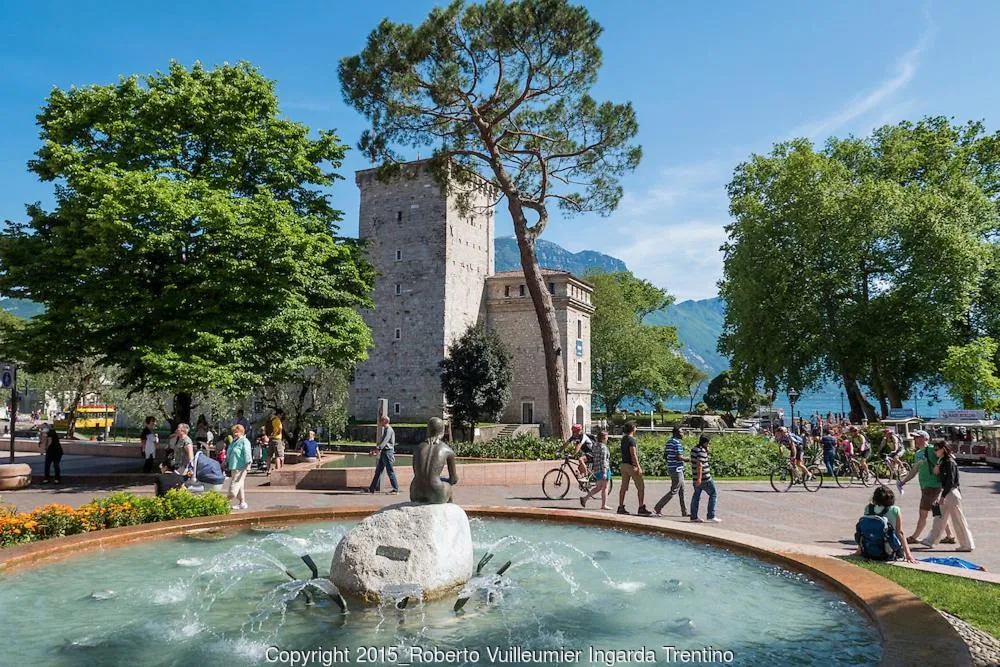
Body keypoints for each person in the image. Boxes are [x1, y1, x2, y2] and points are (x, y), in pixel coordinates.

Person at [898, 430, 955, 545]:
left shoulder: (932, 449)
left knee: (923, 512)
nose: (916, 440)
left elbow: (948, 457)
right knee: (937, 512)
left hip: (933, 486)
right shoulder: (918, 453)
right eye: (915, 438)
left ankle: (915, 536)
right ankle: (950, 536)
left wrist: (939, 466)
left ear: (925, 438)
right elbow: (914, 470)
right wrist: (904, 481)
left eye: (918, 437)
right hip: (925, 486)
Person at [921, 442, 974, 552]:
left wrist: (943, 496)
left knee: (958, 519)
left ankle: (967, 544)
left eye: (937, 449)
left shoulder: (949, 462)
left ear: (943, 449)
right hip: (947, 491)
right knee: (939, 517)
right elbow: (938, 474)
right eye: (934, 449)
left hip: (951, 492)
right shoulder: (942, 461)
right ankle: (931, 540)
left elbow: (950, 480)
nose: (935, 451)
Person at [854, 485, 916, 563]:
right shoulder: (895, 510)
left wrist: (859, 551)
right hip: (888, 552)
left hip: (869, 550)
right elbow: (900, 533)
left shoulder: (868, 508)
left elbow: (864, 531)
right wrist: (908, 554)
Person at [617, 422, 651, 516]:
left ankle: (620, 506)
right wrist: (638, 466)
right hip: (631, 466)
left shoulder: (624, 439)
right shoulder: (631, 440)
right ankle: (641, 507)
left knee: (623, 487)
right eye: (635, 427)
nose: (636, 428)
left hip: (624, 465)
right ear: (632, 429)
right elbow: (633, 454)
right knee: (641, 487)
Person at [653, 427, 688, 517]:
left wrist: (670, 461)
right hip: (677, 469)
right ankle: (658, 507)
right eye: (681, 432)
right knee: (674, 490)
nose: (683, 433)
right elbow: (679, 457)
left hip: (672, 468)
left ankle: (684, 511)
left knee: (682, 490)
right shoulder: (677, 443)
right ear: (676, 433)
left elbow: (665, 455)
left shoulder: (669, 442)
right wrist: (691, 459)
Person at [689, 435, 719, 523]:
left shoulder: (694, 449)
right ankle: (711, 515)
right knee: (713, 494)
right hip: (705, 477)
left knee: (696, 496)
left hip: (695, 476)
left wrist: (697, 478)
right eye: (708, 443)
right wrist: (700, 478)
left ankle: (693, 516)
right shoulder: (702, 451)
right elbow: (700, 464)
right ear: (705, 443)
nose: (709, 444)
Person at [580, 430, 612, 510]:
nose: (607, 439)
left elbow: (594, 456)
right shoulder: (603, 447)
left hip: (596, 469)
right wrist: (605, 472)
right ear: (603, 438)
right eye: (606, 437)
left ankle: (585, 498)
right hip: (603, 469)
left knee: (598, 487)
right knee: (605, 487)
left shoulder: (595, 446)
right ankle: (604, 505)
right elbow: (603, 460)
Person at [367, 416, 399, 494]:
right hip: (384, 452)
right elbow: (383, 443)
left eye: (381, 420)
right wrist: (377, 450)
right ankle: (372, 488)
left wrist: (377, 449)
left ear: (385, 421)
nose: (380, 422)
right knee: (378, 471)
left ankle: (396, 489)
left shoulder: (389, 430)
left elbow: (385, 442)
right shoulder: (386, 429)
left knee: (390, 471)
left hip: (388, 452)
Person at [226, 423, 252, 510]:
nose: (234, 434)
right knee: (240, 485)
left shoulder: (244, 441)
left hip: (241, 466)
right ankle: (242, 503)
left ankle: (226, 501)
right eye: (234, 432)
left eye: (236, 432)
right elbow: (229, 453)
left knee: (235, 484)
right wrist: (225, 461)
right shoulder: (234, 442)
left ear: (241, 432)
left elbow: (247, 453)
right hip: (234, 466)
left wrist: (248, 464)